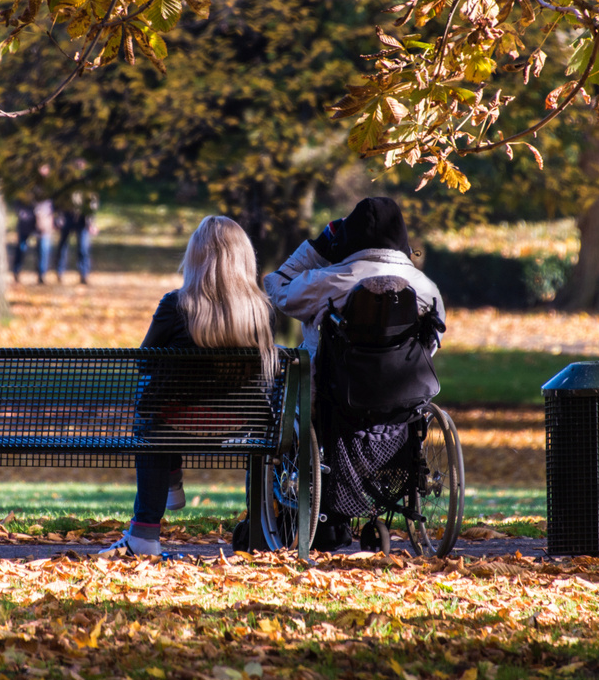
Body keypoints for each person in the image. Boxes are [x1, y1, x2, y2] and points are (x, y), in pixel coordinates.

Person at [263, 197, 445, 550]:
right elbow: (432, 342)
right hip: (402, 405)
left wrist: (316, 249)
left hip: (335, 401)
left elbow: (276, 287)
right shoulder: (425, 289)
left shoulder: (327, 281)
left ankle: (309, 516)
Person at [104, 216, 278, 558]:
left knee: (151, 408)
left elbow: (144, 361)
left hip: (176, 425)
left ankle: (146, 529)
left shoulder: (176, 304)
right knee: (160, 407)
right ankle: (255, 528)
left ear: (197, 257)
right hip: (242, 424)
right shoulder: (262, 311)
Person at [57, 190, 98, 284]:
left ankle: (84, 274)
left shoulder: (88, 185)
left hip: (82, 219)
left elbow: (92, 205)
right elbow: (60, 201)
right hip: (67, 217)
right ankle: (60, 272)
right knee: (63, 246)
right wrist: (59, 218)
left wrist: (91, 223)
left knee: (83, 248)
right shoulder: (68, 180)